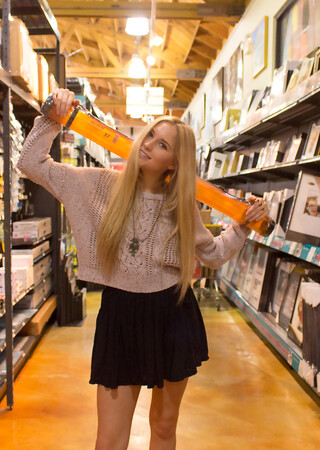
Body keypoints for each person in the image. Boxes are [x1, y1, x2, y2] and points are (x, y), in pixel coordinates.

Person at [18, 88, 269, 450]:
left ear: (175, 164)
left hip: (172, 316)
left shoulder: (182, 206)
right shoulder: (99, 184)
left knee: (164, 429)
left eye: (163, 145)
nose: (149, 144)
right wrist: (51, 119)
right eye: (150, 134)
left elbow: (212, 255)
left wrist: (244, 225)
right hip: (120, 317)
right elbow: (30, 163)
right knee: (109, 440)